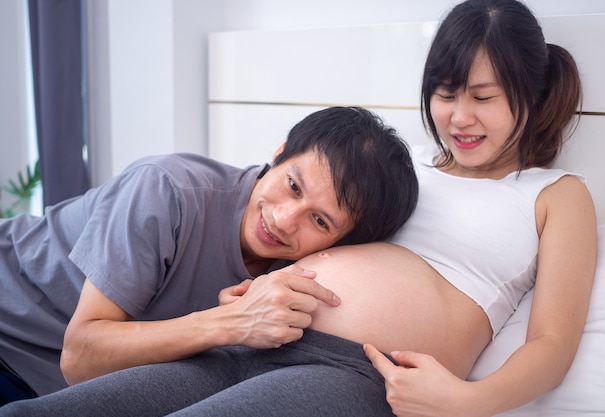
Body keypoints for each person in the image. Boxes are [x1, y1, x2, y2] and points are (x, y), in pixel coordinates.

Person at [0, 0, 598, 415]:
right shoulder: (400, 165)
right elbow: (322, 234)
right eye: (446, 94)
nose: (459, 118)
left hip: (360, 371)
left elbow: (550, 343)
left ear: (530, 94)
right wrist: (250, 291)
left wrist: (469, 403)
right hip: (254, 338)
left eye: (485, 98)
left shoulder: (554, 194)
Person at [0, 106, 419, 406]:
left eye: (321, 221)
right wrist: (227, 324)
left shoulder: (297, 274)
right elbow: (79, 357)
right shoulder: (166, 190)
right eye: (293, 186)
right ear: (280, 152)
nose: (284, 219)